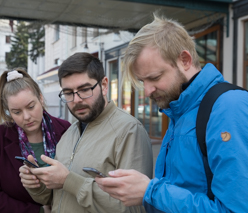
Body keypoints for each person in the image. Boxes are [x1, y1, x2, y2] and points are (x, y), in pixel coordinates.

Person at [95, 14, 248, 212]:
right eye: (142, 81)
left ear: (185, 60)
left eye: (155, 77)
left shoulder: (228, 107)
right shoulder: (179, 110)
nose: (148, 90)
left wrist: (151, 192)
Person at [19, 52, 153, 213]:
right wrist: (36, 184)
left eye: (84, 89)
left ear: (104, 85)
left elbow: (133, 208)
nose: (76, 100)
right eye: (68, 92)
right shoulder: (69, 133)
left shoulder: (129, 131)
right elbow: (56, 198)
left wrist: (69, 180)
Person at [0, 68, 71, 213]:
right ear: (8, 110)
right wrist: (37, 211)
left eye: (31, 107)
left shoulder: (65, 129)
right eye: (17, 112)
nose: (26, 117)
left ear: (40, 98)